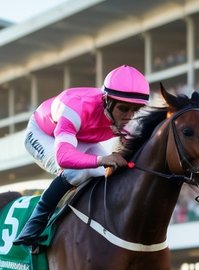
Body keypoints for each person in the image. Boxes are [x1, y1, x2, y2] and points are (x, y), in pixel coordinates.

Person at [13, 65, 150, 248]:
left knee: (107, 175)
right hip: (44, 134)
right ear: (107, 101)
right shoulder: (76, 107)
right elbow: (63, 157)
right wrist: (102, 160)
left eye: (136, 110)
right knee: (76, 173)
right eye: (124, 109)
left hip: (83, 137)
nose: (129, 117)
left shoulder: (128, 117)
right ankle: (35, 223)